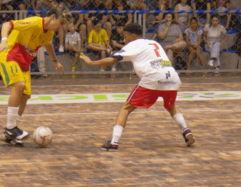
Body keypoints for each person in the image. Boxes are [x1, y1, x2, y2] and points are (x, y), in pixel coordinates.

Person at [80, 23, 195, 151]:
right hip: (172, 77)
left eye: (125, 36)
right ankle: (186, 130)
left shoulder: (133, 44)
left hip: (153, 78)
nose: (123, 40)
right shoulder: (153, 43)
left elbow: (112, 60)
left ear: (133, 36)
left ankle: (114, 142)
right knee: (171, 106)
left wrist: (91, 63)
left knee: (126, 108)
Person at [0, 4, 71, 146]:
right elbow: (6, 24)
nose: (61, 27)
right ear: (53, 17)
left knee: (25, 95)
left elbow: (48, 45)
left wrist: (55, 61)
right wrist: (4, 40)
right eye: (61, 23)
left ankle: (10, 134)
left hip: (23, 62)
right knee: (19, 86)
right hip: (9, 54)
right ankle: (10, 128)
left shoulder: (50, 33)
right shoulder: (33, 22)